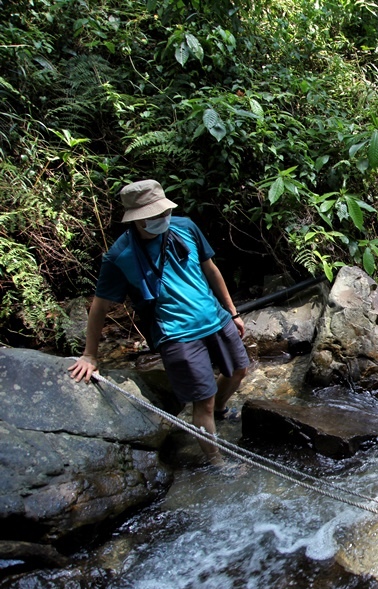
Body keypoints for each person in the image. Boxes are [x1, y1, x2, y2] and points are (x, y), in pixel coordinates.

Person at [68, 179, 249, 465]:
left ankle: (221, 411)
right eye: (154, 216)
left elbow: (210, 269)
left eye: (164, 212)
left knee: (239, 370)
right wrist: (90, 354)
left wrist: (232, 311)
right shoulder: (120, 255)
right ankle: (217, 464)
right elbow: (100, 306)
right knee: (203, 400)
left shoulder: (185, 227)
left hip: (214, 316)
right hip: (176, 334)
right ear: (136, 219)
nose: (163, 219)